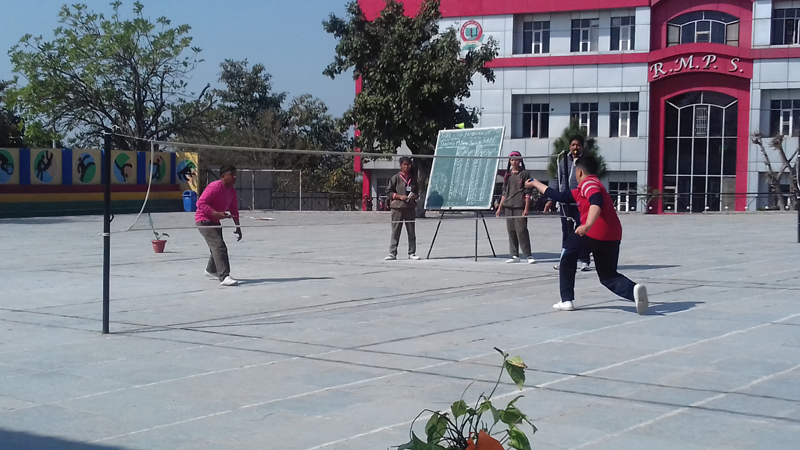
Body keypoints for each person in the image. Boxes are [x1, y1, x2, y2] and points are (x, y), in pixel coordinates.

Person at [526, 154, 648, 314]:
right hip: (613, 235)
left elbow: (596, 201)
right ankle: (634, 290)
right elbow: (560, 196)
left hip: (594, 231)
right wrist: (535, 183)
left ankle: (566, 300)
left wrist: (587, 226)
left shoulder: (589, 184)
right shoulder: (584, 189)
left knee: (567, 255)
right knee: (607, 276)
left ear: (579, 172)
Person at [549, 136, 592, 272]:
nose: (575, 148)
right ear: (569, 147)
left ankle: (584, 260)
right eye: (573, 145)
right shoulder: (563, 161)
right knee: (566, 232)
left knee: (582, 231)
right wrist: (552, 197)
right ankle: (565, 260)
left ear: (582, 147)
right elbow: (557, 179)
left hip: (580, 202)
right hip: (564, 202)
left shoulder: (586, 162)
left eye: (578, 145)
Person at [196, 165, 242, 286]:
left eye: (235, 174)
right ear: (223, 176)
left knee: (215, 248)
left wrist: (238, 227)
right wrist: (215, 213)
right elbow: (200, 203)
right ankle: (224, 276)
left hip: (215, 222)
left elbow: (234, 209)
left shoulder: (231, 191)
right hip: (204, 220)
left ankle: (210, 270)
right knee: (219, 246)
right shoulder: (214, 187)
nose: (234, 176)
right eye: (231, 174)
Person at [496, 151, 535, 264]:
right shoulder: (507, 175)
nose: (514, 162)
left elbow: (528, 192)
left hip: (519, 206)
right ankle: (514, 255)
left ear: (521, 160)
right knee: (511, 231)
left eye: (517, 159)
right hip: (509, 206)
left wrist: (526, 208)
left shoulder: (525, 173)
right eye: (512, 159)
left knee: (522, 231)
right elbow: (504, 193)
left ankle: (528, 255)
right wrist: (499, 208)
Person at [385, 157, 420, 261]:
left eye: (408, 165)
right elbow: (388, 192)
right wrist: (399, 197)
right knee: (396, 231)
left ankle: (412, 252)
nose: (407, 167)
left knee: (411, 231)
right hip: (397, 208)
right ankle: (392, 253)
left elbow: (417, 192)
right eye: (404, 165)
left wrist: (414, 196)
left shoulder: (413, 179)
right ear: (401, 165)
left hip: (410, 207)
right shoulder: (395, 178)